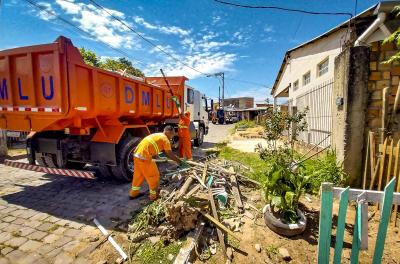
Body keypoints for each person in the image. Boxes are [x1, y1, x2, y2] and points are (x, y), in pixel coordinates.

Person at [129, 126, 183, 201]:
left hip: (137, 155)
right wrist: (179, 161)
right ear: (168, 132)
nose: (172, 137)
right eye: (172, 134)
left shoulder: (158, 135)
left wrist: (158, 157)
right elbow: (170, 154)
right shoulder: (165, 139)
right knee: (154, 176)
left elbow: (152, 146)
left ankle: (133, 194)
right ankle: (153, 197)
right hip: (145, 158)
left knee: (138, 176)